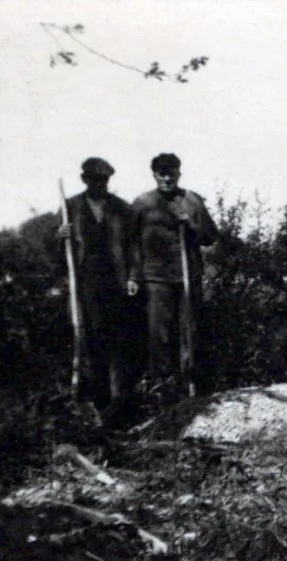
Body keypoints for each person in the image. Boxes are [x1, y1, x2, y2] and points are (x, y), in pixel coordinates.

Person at [55, 157, 140, 418]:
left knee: (120, 341)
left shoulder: (122, 210)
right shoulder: (70, 208)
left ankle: (121, 402)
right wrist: (61, 237)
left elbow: (134, 247)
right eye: (94, 179)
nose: (99, 184)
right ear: (84, 180)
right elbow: (59, 254)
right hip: (86, 284)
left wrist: (134, 276)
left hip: (116, 280)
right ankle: (94, 400)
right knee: (91, 338)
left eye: (103, 180)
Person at [132, 153, 218, 399]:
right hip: (156, 279)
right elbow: (129, 242)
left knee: (189, 331)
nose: (167, 178)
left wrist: (191, 223)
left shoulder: (192, 201)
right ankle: (162, 389)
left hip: (188, 276)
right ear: (154, 175)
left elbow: (211, 236)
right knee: (159, 334)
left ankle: (190, 389)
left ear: (179, 173)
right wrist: (134, 275)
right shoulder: (142, 203)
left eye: (172, 172)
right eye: (162, 173)